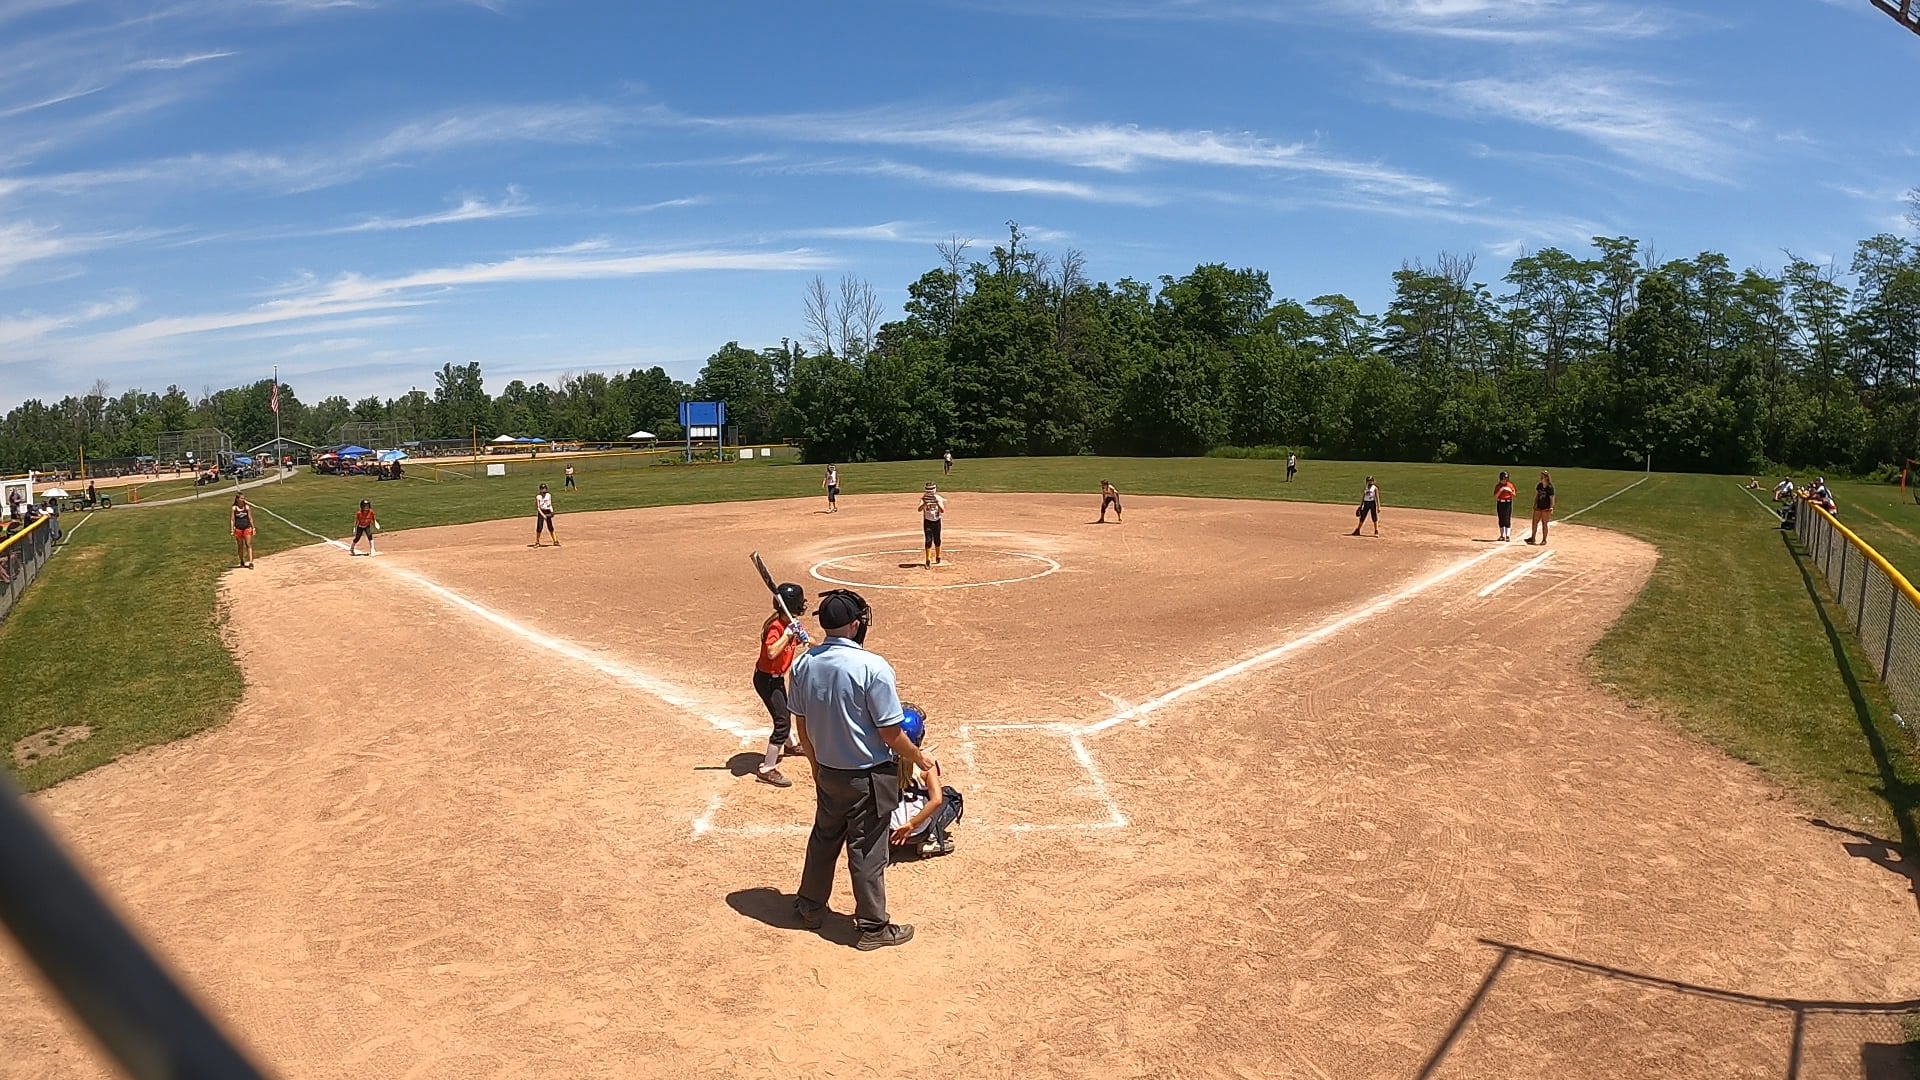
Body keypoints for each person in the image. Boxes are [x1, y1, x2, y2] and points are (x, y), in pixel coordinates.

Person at [789, 589, 930, 950]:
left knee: (824, 839)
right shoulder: (873, 667)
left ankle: (810, 906)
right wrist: (918, 758)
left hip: (827, 770)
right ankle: (872, 927)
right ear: (854, 625)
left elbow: (801, 726)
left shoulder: (803, 664)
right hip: (867, 776)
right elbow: (890, 733)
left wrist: (815, 765)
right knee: (867, 850)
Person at [752, 583, 811, 788]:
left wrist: (807, 639)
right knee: (782, 722)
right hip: (766, 680)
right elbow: (771, 652)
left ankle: (790, 744)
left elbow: (806, 641)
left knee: (784, 711)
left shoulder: (790, 623)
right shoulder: (776, 627)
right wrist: (787, 634)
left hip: (775, 679)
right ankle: (767, 768)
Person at [889, 703, 961, 859]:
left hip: (891, 831)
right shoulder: (927, 765)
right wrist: (911, 825)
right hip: (917, 832)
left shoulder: (884, 761)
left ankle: (880, 844)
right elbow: (936, 800)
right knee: (951, 797)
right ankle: (931, 840)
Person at [919, 482, 947, 567]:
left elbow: (942, 510)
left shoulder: (938, 498)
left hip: (937, 521)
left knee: (937, 539)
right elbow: (919, 509)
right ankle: (928, 559)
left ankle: (938, 556)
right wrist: (924, 503)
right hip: (927, 522)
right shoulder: (924, 498)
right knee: (928, 540)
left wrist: (937, 503)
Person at [1525, 470, 1556, 546]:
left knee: (1544, 523)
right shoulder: (1539, 485)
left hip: (1546, 508)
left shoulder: (1550, 487)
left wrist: (1551, 507)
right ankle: (1533, 538)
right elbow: (1537, 495)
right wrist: (1535, 504)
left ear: (1546, 477)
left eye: (1543, 476)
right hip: (1539, 506)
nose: (1541, 477)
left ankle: (1544, 540)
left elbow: (1552, 498)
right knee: (1534, 522)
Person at [231, 494, 255, 569]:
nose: (243, 500)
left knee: (248, 544)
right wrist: (232, 529)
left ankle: (251, 562)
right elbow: (232, 519)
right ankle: (242, 561)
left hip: (246, 527)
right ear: (237, 499)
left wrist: (253, 528)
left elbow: (250, 518)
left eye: (244, 498)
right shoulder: (234, 508)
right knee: (240, 546)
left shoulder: (246, 507)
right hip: (238, 528)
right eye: (242, 498)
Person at [1493, 471, 1517, 542]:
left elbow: (1514, 494)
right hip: (1500, 503)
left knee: (1507, 519)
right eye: (1503, 479)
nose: (1504, 480)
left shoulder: (1510, 485)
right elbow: (1496, 496)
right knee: (1501, 519)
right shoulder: (1498, 486)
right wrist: (1500, 490)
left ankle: (1508, 536)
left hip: (1508, 503)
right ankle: (1502, 536)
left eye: (1505, 479)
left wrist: (1510, 491)